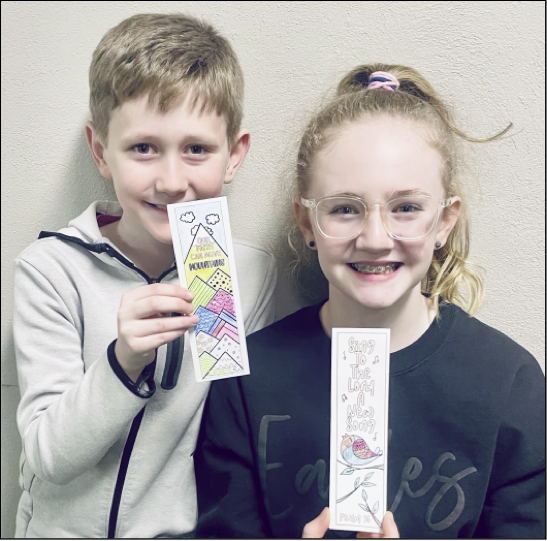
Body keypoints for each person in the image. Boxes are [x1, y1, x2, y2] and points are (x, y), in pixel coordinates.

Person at [194, 64, 546, 538]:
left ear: (444, 222)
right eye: (344, 209)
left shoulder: (510, 382)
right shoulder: (246, 379)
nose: (376, 239)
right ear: (306, 222)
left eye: (406, 208)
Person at [13, 13, 277, 538]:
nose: (172, 181)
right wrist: (123, 361)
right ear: (100, 152)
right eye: (143, 148)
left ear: (234, 156)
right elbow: (47, 455)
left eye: (197, 149)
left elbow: (238, 434)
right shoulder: (51, 270)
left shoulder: (248, 272)